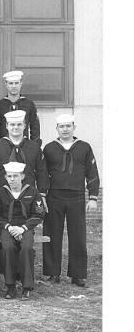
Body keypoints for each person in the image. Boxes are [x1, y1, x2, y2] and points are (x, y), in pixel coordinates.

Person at [42, 113, 100, 287]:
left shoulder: (84, 147)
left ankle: (77, 274)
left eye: (68, 126)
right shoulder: (50, 148)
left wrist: (93, 197)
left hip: (76, 196)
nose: (65, 129)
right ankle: (53, 273)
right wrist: (43, 194)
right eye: (61, 126)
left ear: (74, 127)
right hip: (55, 196)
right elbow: (43, 173)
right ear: (57, 129)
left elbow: (92, 172)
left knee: (78, 235)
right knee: (52, 233)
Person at [0, 162, 45, 300]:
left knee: (27, 248)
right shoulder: (0, 192)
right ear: (5, 177)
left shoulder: (32, 192)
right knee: (7, 248)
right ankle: (10, 286)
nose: (12, 179)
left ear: (22, 176)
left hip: (25, 227)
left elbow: (38, 214)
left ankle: (27, 287)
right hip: (7, 227)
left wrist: (23, 228)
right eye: (9, 176)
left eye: (15, 176)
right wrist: (9, 227)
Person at [0, 110, 48, 195]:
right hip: (3, 196)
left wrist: (42, 193)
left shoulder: (34, 147)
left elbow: (41, 171)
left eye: (19, 124)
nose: (16, 127)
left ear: (25, 126)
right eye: (12, 124)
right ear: (6, 126)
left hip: (29, 195)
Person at [0, 71, 41, 145]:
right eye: (11, 83)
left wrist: (35, 145)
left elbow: (35, 127)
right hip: (4, 146)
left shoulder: (29, 104)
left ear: (21, 84)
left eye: (16, 83)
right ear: (6, 85)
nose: (14, 86)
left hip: (24, 145)